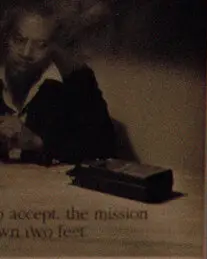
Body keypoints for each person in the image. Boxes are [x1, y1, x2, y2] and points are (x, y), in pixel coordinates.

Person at [0, 4, 120, 165]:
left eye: (41, 45)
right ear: (6, 38)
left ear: (54, 47)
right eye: (19, 40)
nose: (27, 53)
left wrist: (37, 142)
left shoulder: (78, 82)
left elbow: (104, 149)